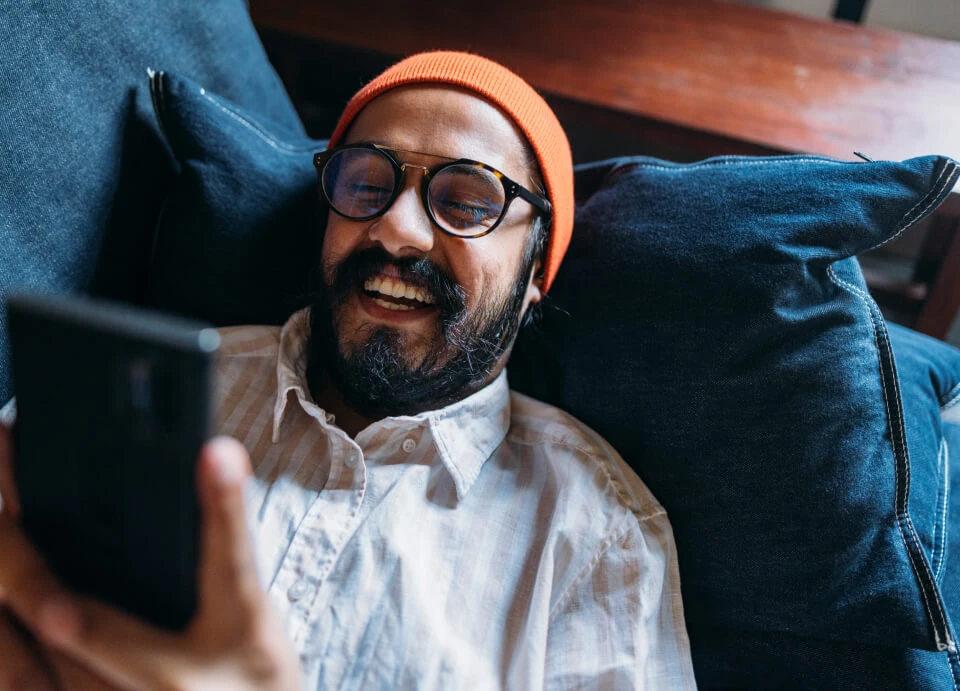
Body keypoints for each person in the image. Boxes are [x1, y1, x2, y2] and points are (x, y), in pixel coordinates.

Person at [0, 52, 697, 689]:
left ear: (535, 273)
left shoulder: (597, 536)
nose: (397, 231)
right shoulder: (141, 388)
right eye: (365, 182)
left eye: (465, 201)